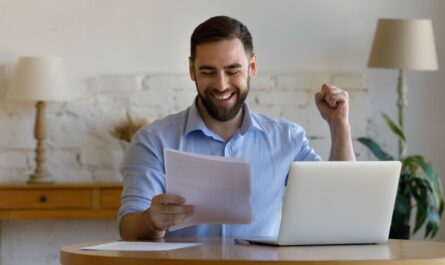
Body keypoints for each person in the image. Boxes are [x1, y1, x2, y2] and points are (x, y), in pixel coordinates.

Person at [118, 16, 355, 240]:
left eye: (233, 71)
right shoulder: (153, 140)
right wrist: (151, 220)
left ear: (252, 66)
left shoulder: (287, 139)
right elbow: (129, 229)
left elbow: (338, 201)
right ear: (192, 70)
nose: (221, 85)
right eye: (208, 72)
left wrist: (339, 125)